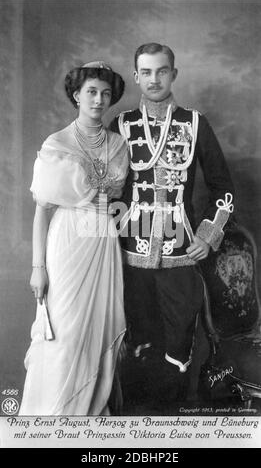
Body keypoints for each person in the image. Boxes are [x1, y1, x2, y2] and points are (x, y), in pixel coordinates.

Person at [110, 43, 235, 412]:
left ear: (173, 74)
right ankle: (135, 427)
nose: (154, 79)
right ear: (136, 77)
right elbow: (105, 190)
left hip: (182, 254)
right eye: (146, 72)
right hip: (130, 256)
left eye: (161, 71)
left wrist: (208, 235)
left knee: (178, 345)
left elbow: (223, 188)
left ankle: (172, 428)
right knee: (137, 344)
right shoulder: (122, 124)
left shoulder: (195, 123)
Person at [19, 61, 129, 416]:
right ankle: (53, 416)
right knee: (64, 335)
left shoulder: (118, 143)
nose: (99, 100)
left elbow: (117, 200)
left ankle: (89, 413)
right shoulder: (57, 143)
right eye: (92, 92)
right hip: (66, 243)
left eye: (105, 93)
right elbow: (42, 211)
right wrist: (38, 268)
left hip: (103, 243)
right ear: (76, 95)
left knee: (95, 333)